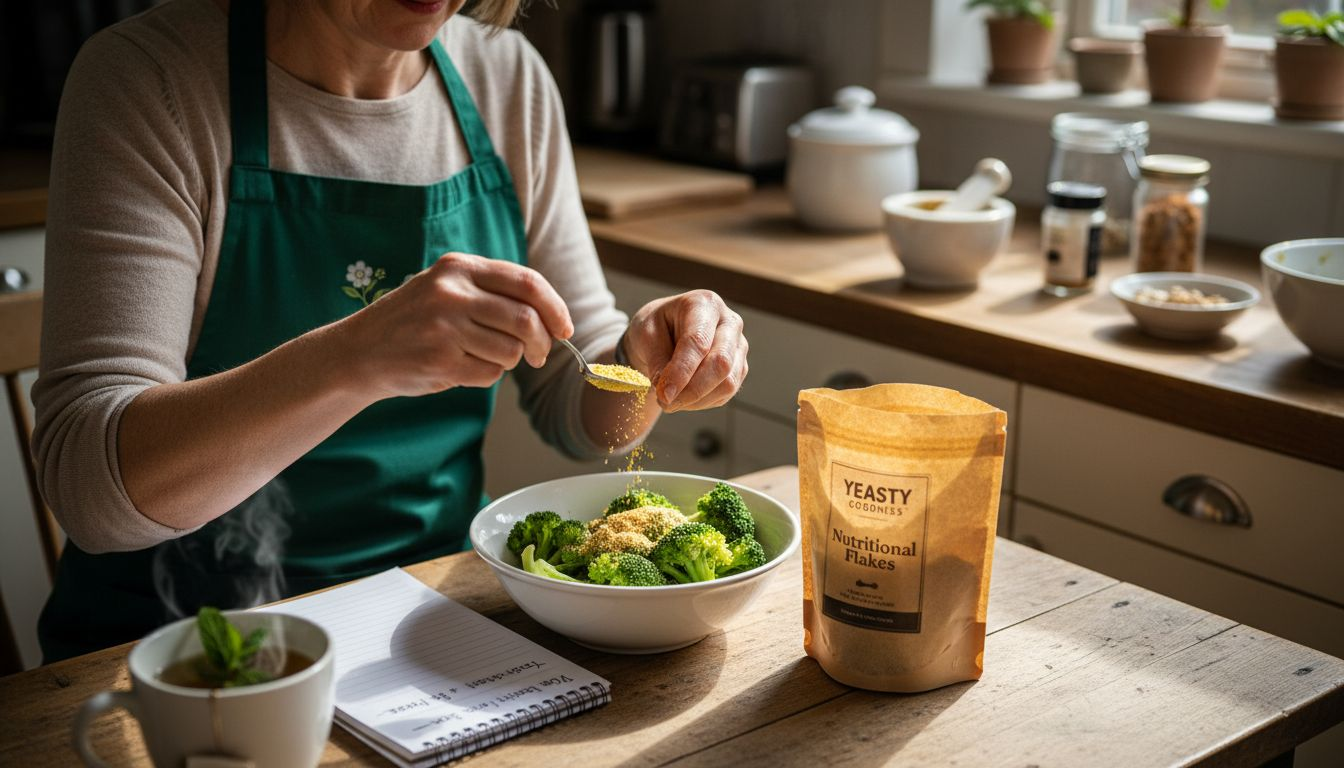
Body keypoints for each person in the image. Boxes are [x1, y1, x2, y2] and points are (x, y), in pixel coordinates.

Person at [32, 0, 749, 662]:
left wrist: (647, 360)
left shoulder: (505, 74)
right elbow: (92, 495)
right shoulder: (152, 81)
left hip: (432, 615)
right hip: (177, 644)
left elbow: (581, 399)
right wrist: (356, 356)